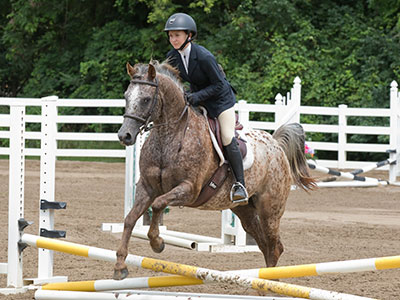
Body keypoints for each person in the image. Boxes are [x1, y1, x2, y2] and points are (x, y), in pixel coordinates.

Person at [164, 12, 248, 204]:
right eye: (170, 35)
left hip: (220, 102)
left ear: (189, 35)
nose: (173, 39)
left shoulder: (203, 56)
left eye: (177, 35)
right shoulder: (172, 56)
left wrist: (196, 97)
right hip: (197, 101)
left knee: (227, 136)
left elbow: (219, 85)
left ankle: (240, 185)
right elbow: (171, 81)